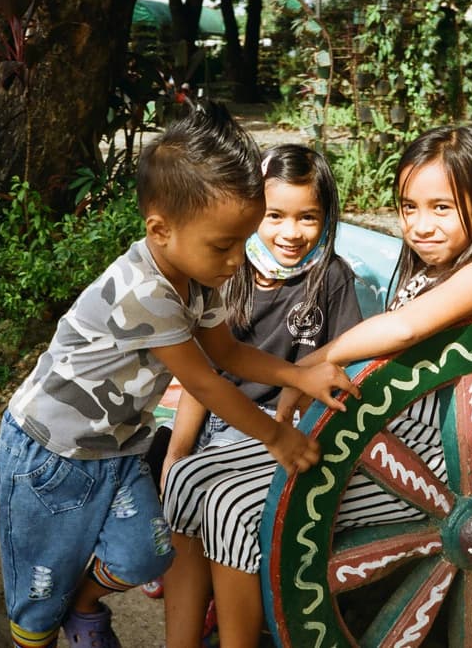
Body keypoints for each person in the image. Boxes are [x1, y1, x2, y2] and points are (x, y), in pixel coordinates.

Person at [0, 102, 357, 648]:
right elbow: (207, 383)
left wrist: (298, 377)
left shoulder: (198, 277)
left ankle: (82, 605)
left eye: (241, 240)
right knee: (38, 595)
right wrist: (278, 437)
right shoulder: (146, 293)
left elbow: (228, 354)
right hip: (51, 456)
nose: (237, 261)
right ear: (160, 229)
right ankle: (52, 623)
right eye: (223, 244)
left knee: (148, 554)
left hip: (115, 450)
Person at [162, 125, 472, 648]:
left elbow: (404, 329)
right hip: (374, 430)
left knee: (233, 504)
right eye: (409, 207)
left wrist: (316, 361)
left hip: (429, 464)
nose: (420, 226)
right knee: (189, 478)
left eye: (441, 208)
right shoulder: (424, 271)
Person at [140, 143, 363, 604]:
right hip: (221, 412)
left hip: (282, 422)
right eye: (275, 216)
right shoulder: (229, 269)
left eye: (308, 217)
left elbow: (344, 357)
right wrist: (176, 453)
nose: (291, 233)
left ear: (325, 219)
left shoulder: (329, 277)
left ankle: (213, 595)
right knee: (164, 463)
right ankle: (186, 572)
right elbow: (207, 374)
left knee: (210, 489)